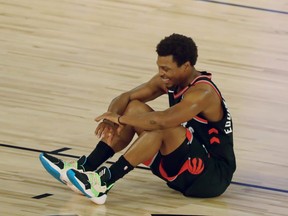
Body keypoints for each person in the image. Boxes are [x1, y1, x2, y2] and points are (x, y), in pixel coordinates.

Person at [39, 33, 236, 205]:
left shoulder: (203, 93)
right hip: (183, 165)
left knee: (161, 126)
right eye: (159, 67)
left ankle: (103, 183)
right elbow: (126, 97)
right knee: (134, 108)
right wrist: (111, 117)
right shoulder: (169, 80)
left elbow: (162, 121)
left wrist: (120, 119)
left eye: (166, 68)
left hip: (211, 177)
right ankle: (85, 167)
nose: (161, 73)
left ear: (186, 66)